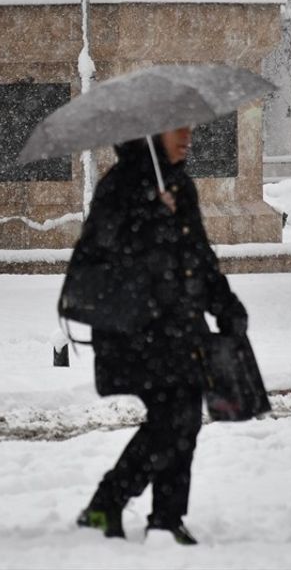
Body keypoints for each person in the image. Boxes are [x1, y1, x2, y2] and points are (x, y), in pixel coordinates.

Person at [71, 127, 248, 546]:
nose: (187, 137)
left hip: (179, 326)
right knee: (172, 420)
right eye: (177, 129)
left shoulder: (178, 182)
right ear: (151, 136)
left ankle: (165, 518)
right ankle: (107, 505)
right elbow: (101, 250)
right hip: (135, 329)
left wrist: (224, 304)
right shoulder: (121, 184)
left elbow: (198, 253)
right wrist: (151, 213)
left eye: (189, 128)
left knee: (182, 419)